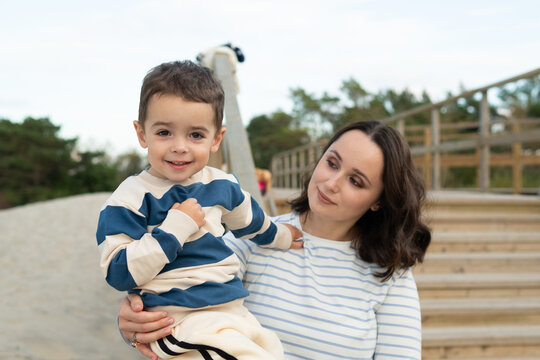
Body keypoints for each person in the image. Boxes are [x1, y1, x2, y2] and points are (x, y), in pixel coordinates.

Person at [118, 120, 432, 360]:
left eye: (356, 181)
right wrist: (135, 323)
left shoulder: (390, 274)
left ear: (378, 200)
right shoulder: (254, 239)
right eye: (332, 163)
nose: (331, 183)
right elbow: (179, 300)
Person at [97, 60, 303, 360]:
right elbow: (118, 272)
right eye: (164, 132)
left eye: (195, 135)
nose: (180, 146)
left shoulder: (221, 185)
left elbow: (253, 223)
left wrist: (284, 236)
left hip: (232, 310)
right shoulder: (129, 198)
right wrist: (174, 230)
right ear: (142, 134)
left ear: (216, 139)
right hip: (177, 320)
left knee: (270, 350)